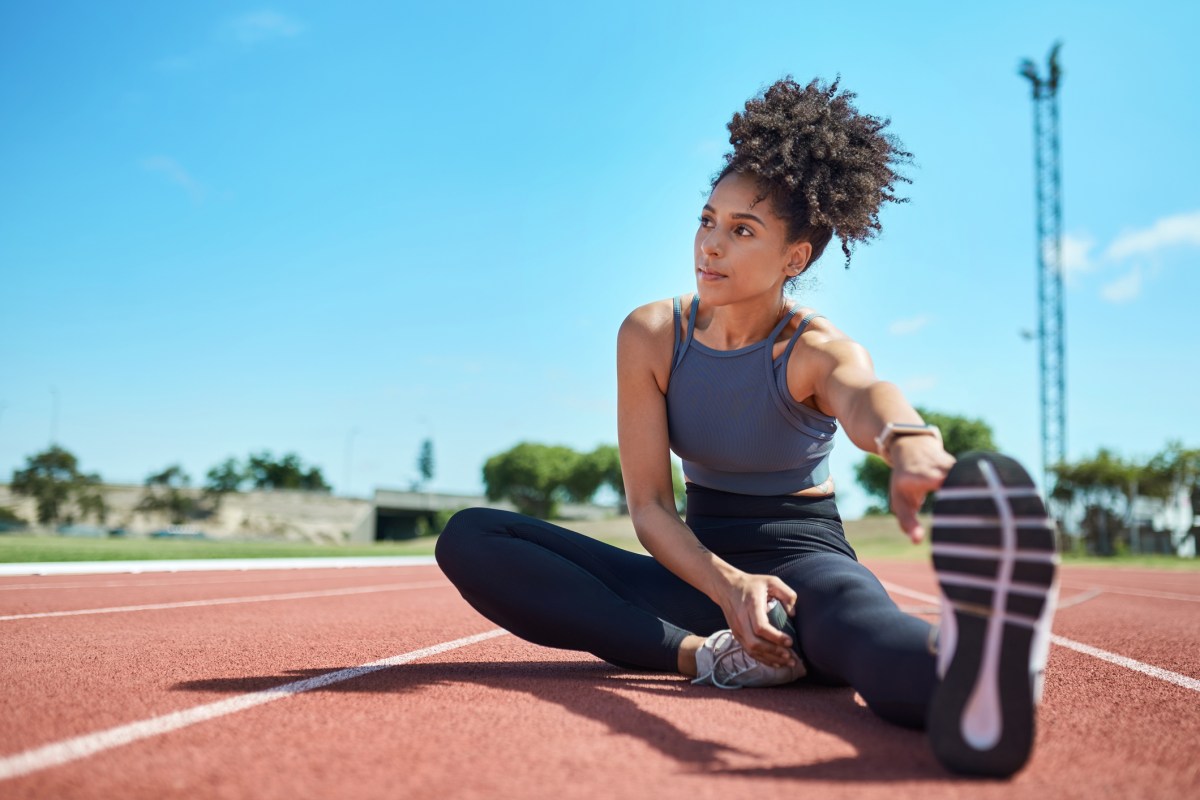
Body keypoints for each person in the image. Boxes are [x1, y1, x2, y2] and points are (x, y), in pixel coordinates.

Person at [435, 77, 1058, 778]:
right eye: (707, 220)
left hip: (805, 567)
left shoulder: (813, 348)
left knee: (859, 635)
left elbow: (865, 395)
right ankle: (707, 657)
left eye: (742, 231)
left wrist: (909, 444)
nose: (711, 247)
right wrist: (728, 591)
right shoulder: (650, 335)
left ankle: (970, 679)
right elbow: (649, 508)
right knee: (474, 536)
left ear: (796, 258)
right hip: (697, 570)